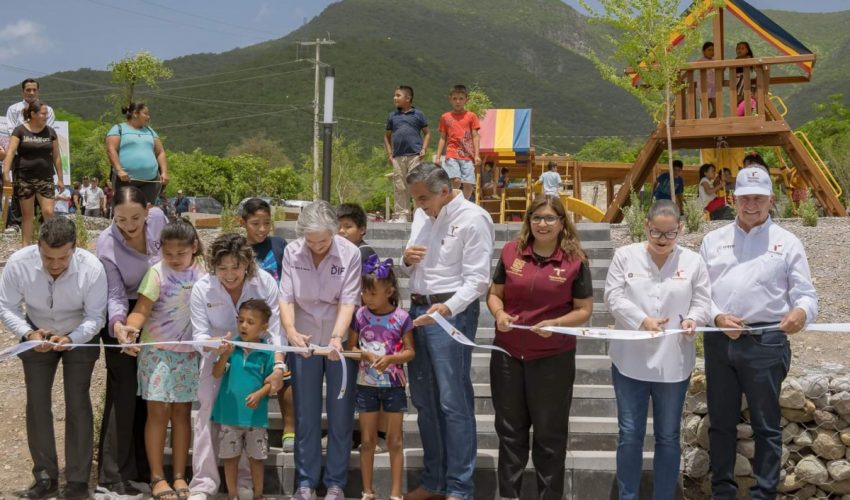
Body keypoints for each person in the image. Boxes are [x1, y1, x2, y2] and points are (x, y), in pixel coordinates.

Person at [699, 166, 818, 498]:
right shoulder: (712, 240)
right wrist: (718, 317)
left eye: (758, 198)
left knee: (766, 427)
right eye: (745, 198)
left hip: (766, 342)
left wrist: (800, 313)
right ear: (734, 199)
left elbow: (807, 296)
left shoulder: (788, 242)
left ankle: (764, 494)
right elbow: (699, 294)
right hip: (719, 342)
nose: (751, 205)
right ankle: (722, 492)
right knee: (720, 424)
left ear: (770, 200)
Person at [486, 195, 593, 499]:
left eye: (550, 218)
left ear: (562, 223)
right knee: (510, 435)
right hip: (507, 356)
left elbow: (584, 309)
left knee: (549, 438)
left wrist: (557, 323)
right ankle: (509, 496)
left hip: (552, 360)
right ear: (528, 220)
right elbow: (494, 294)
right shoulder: (511, 253)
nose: (542, 224)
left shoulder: (575, 260)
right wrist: (499, 313)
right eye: (537, 217)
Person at [604, 200, 712, 500]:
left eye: (670, 234)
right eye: (655, 233)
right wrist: (642, 320)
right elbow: (612, 297)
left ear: (680, 229)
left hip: (674, 362)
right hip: (629, 362)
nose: (662, 240)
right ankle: (628, 496)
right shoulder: (625, 256)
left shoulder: (693, 262)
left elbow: (702, 300)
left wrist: (694, 319)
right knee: (629, 435)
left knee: (668, 436)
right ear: (645, 227)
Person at [401, 163, 494, 500]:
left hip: (451, 314)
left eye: (423, 198)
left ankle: (459, 487)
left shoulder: (474, 218)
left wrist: (448, 308)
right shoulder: (422, 215)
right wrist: (406, 260)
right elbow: (412, 263)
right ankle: (434, 481)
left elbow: (478, 280)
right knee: (424, 401)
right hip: (417, 309)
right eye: (416, 200)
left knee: (453, 401)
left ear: (445, 189)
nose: (419, 205)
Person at [0, 217, 107, 500]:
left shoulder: (92, 268)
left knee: (78, 403)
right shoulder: (18, 263)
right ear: (38, 247)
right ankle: (45, 478)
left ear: (75, 247)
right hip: (36, 333)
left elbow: (96, 316)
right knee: (37, 403)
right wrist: (28, 334)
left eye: (63, 257)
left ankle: (77, 482)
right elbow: (6, 305)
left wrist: (72, 338)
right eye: (48, 257)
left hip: (80, 336)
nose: (56, 264)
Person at [189, 233, 286, 497]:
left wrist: (278, 367)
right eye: (222, 268)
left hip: (254, 361)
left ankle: (244, 483)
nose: (230, 274)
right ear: (213, 266)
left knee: (245, 418)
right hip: (216, 358)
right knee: (207, 415)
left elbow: (275, 329)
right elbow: (198, 335)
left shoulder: (264, 282)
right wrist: (214, 344)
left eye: (236, 267)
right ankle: (203, 484)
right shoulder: (202, 288)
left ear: (247, 264)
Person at [114, 219, 205, 499]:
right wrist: (130, 330)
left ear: (194, 248)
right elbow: (141, 309)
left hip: (189, 354)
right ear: (161, 251)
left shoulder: (203, 274)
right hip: (156, 353)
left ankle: (179, 475)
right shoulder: (156, 273)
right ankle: (156, 477)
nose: (175, 259)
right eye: (169, 253)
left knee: (181, 414)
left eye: (181, 253)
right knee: (157, 413)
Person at [281, 201, 361, 500]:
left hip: (338, 338)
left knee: (341, 414)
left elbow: (349, 300)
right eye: (311, 241)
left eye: (323, 241)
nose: (316, 247)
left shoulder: (349, 253)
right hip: (303, 338)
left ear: (335, 232)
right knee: (306, 412)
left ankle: (336, 482)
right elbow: (286, 298)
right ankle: (305, 481)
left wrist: (338, 337)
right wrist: (290, 332)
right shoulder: (292, 251)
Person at [95, 186, 169, 495]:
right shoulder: (106, 243)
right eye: (120, 219)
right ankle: (113, 474)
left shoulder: (160, 220)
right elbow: (113, 293)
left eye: (135, 218)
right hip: (124, 316)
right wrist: (120, 327)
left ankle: (143, 466)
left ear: (148, 210)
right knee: (123, 393)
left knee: (148, 393)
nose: (128, 225)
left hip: (159, 311)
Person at [349, 255, 415, 500]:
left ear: (389, 291)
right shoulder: (359, 316)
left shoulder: (402, 318)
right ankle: (367, 491)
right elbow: (352, 348)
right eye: (364, 293)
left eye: (372, 293)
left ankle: (396, 493)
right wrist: (363, 354)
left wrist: (391, 359)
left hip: (394, 385)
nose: (367, 299)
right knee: (367, 441)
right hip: (365, 385)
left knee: (395, 440)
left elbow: (410, 351)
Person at [240, 197, 296, 452]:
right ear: (243, 223)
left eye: (266, 223)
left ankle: (289, 428)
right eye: (255, 223)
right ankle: (248, 425)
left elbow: (290, 277)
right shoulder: (240, 249)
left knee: (284, 373)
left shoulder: (279, 245)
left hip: (277, 318)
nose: (262, 229)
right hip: (250, 324)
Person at [212, 299, 277, 500]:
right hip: (229, 415)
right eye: (241, 321)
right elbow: (216, 373)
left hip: (255, 419)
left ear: (264, 327)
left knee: (256, 459)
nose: (244, 326)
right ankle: (232, 495)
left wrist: (259, 394)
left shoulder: (268, 351)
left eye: (250, 322)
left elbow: (271, 383)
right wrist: (224, 355)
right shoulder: (233, 348)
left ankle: (258, 495)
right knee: (230, 459)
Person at [2, 99, 63, 245]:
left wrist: (60, 178)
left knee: (48, 212)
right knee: (27, 216)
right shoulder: (20, 130)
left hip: (45, 178)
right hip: (24, 178)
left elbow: (56, 156)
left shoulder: (51, 132)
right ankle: (25, 247)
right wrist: (5, 173)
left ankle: (51, 245)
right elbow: (10, 153)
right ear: (33, 114)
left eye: (46, 113)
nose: (46, 116)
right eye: (43, 113)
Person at [5, 79, 56, 230]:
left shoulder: (48, 110)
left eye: (34, 90)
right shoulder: (14, 109)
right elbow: (11, 130)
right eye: (28, 90)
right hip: (21, 152)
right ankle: (15, 223)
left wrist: (34, 136)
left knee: (43, 191)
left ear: (38, 91)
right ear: (23, 91)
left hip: (41, 152)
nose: (31, 93)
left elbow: (48, 129)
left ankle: (41, 224)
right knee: (20, 189)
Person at [106, 102, 170, 206]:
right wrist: (119, 170)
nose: (148, 117)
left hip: (151, 181)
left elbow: (160, 152)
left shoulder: (150, 131)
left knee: (147, 211)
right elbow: (111, 150)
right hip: (125, 180)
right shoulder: (118, 129)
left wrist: (164, 172)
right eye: (145, 113)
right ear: (135, 113)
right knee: (126, 210)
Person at [384, 85, 430, 223]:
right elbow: (386, 136)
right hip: (398, 157)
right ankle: (402, 215)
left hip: (415, 155)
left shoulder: (418, 115)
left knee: (416, 184)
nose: (395, 98)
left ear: (408, 98)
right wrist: (389, 153)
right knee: (399, 186)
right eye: (395, 95)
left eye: (398, 95)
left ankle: (419, 213)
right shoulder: (392, 116)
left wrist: (424, 149)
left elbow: (427, 133)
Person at [435, 85, 481, 200]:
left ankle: (463, 203)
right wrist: (438, 156)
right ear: (450, 99)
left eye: (461, 98)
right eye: (455, 98)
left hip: (467, 156)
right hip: (452, 153)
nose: (458, 101)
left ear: (466, 99)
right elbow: (442, 138)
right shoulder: (445, 117)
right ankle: (454, 202)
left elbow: (475, 136)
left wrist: (476, 155)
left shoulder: (471, 116)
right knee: (455, 180)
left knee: (469, 184)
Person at [735, 41, 757, 115]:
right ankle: (737, 105)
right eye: (738, 48)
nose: (739, 50)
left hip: (743, 79)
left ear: (747, 50)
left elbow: (755, 68)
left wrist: (759, 74)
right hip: (737, 79)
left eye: (742, 48)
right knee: (737, 94)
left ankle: (738, 103)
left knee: (740, 94)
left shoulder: (748, 58)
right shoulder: (736, 59)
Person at [697, 41, 716, 118]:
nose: (712, 52)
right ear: (704, 51)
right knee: (705, 109)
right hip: (704, 88)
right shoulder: (701, 61)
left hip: (714, 88)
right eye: (709, 50)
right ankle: (705, 123)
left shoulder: (715, 61)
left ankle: (710, 123)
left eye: (713, 50)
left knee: (717, 109)